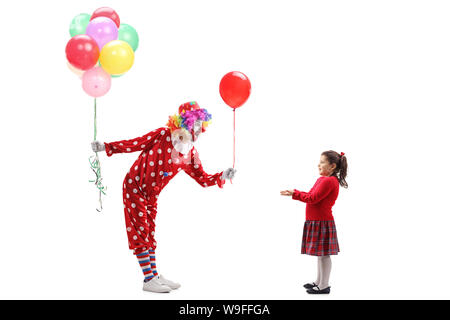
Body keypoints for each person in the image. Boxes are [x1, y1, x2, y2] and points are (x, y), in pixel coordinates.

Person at [91, 101, 236, 293]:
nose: (200, 130)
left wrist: (222, 175)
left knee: (149, 232)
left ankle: (154, 275)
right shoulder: (163, 135)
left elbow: (202, 178)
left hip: (152, 195)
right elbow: (136, 143)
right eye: (196, 124)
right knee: (141, 230)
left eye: (202, 125)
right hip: (135, 186)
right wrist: (106, 147)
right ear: (185, 123)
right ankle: (149, 278)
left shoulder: (190, 153)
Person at [280, 150, 347, 294]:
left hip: (322, 222)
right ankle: (319, 281)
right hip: (316, 221)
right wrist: (295, 193)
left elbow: (312, 199)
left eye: (322, 162)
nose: (318, 165)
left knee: (324, 255)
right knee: (320, 255)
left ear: (333, 166)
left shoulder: (330, 181)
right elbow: (311, 195)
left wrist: (295, 193)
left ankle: (324, 285)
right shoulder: (322, 180)